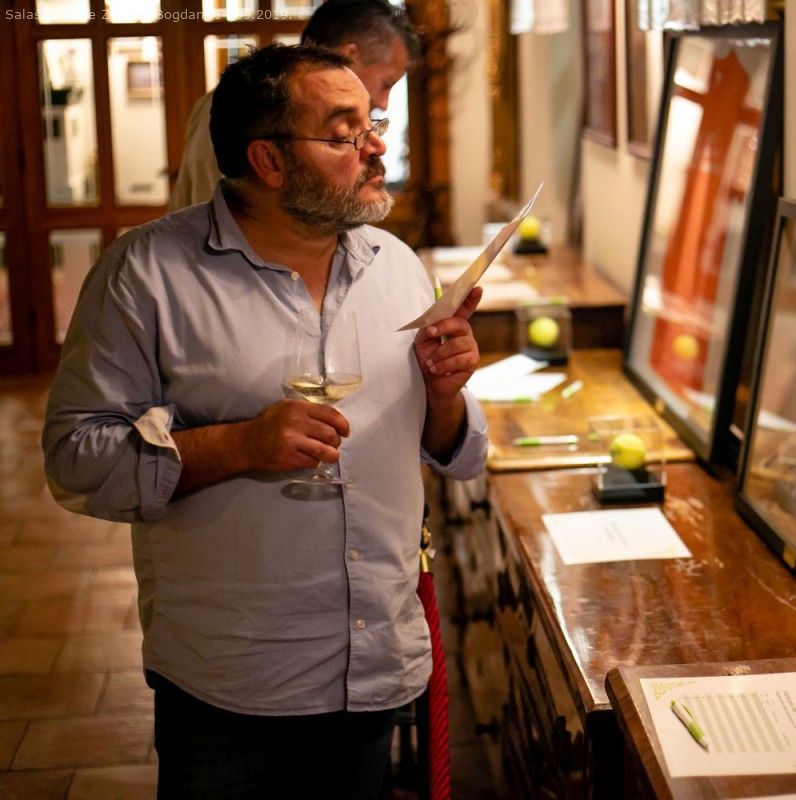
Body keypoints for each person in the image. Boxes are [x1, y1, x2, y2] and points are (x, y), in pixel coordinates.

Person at [43, 43, 487, 799]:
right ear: (269, 161)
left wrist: (444, 395)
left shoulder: (395, 264)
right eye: (345, 133)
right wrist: (238, 444)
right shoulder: (144, 274)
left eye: (373, 125)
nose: (375, 147)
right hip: (231, 680)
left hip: (373, 660)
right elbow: (75, 460)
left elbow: (453, 452)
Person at [169, 0, 415, 211]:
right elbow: (220, 228)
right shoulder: (247, 109)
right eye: (386, 84)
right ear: (349, 56)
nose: (383, 104)